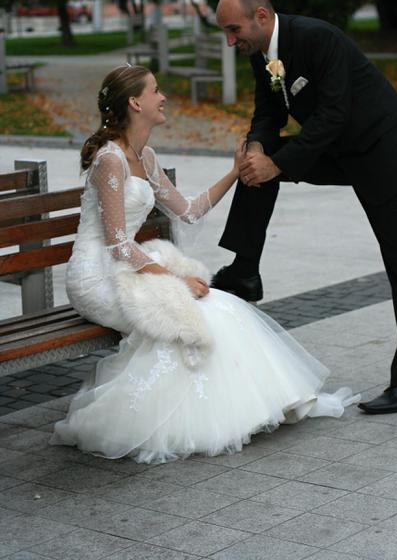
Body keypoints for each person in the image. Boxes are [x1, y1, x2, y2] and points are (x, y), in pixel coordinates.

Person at [51, 63, 358, 464]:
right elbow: (118, 244)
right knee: (190, 315)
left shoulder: (146, 156)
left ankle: (255, 404)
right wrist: (176, 282)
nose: (163, 97)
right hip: (96, 279)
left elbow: (189, 211)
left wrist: (234, 171)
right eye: (155, 90)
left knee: (222, 306)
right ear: (135, 103)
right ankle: (177, 420)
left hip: (128, 269)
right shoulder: (111, 159)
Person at [211, 0, 397, 416]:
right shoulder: (262, 54)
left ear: (261, 17)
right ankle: (245, 270)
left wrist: (277, 164)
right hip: (340, 153)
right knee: (256, 164)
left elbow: (334, 114)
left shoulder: (318, 38)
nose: (229, 40)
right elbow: (268, 113)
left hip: (386, 157)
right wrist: (257, 150)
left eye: (233, 29)